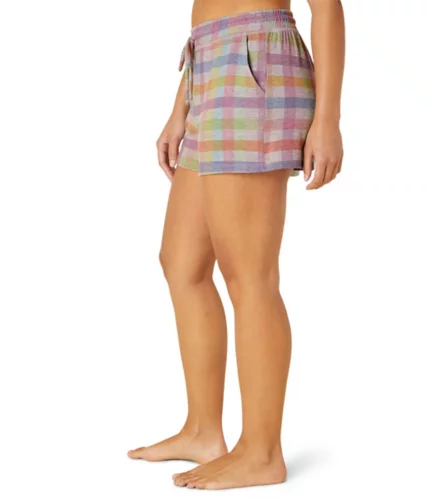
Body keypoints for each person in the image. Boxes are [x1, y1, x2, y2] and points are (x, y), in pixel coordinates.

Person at [128, 0, 345, 490]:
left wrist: (328, 119)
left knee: (250, 274)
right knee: (182, 263)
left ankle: (262, 453)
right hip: (208, 61)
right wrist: (180, 108)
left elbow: (327, 8)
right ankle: (203, 431)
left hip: (255, 59)